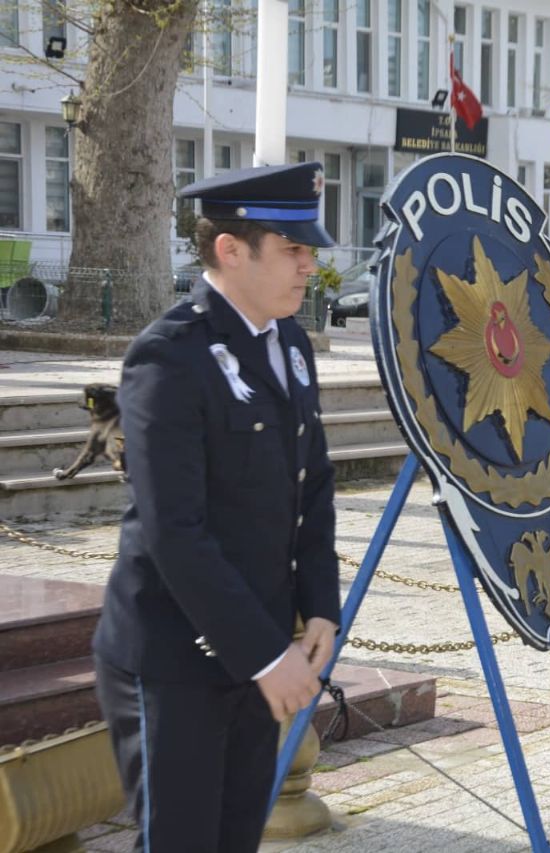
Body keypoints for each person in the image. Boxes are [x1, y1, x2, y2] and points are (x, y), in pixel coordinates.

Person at [92, 161, 342, 853]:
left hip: (257, 644)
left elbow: (312, 482)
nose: (308, 266)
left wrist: (320, 601)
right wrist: (266, 655)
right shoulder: (169, 356)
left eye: (310, 250)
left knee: (236, 838)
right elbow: (176, 531)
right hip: (176, 655)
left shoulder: (289, 341)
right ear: (231, 250)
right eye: (293, 249)